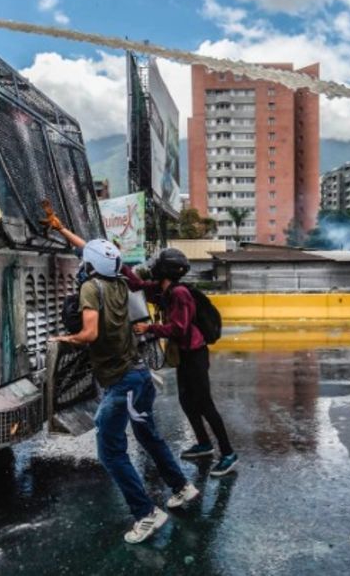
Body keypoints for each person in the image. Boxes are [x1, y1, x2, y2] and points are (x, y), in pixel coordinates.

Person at [44, 212, 199, 544]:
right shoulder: (119, 282)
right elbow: (97, 253)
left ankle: (146, 514)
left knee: (111, 452)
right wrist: (63, 230)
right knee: (149, 437)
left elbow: (89, 333)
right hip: (140, 377)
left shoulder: (90, 287)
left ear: (91, 266)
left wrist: (63, 340)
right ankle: (182, 488)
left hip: (121, 383)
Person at [126, 248, 239, 477]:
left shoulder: (179, 294)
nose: (152, 267)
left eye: (156, 264)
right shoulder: (162, 289)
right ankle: (204, 444)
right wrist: (117, 261)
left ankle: (228, 454)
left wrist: (150, 329)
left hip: (195, 354)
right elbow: (137, 284)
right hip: (185, 354)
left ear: (164, 268)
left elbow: (179, 328)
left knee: (205, 403)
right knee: (187, 400)